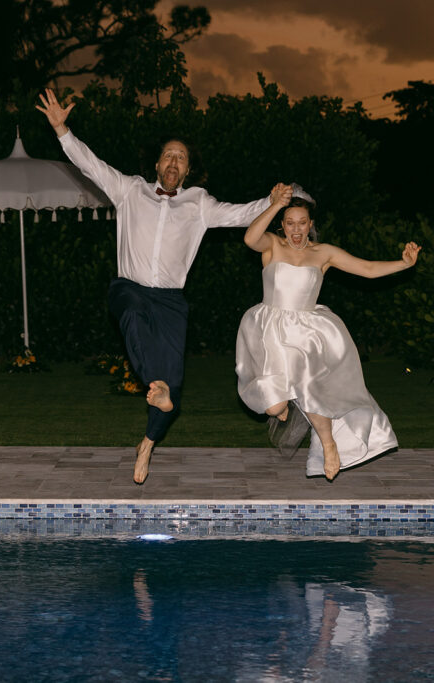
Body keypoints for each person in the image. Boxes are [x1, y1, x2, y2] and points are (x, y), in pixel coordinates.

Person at [37, 88, 286, 484]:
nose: (174, 161)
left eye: (181, 157)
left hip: (171, 300)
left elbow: (241, 215)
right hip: (129, 288)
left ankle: (147, 444)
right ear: (157, 163)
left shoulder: (199, 203)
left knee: (173, 391)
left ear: (187, 171)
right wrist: (61, 129)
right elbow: (90, 164)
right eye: (169, 154)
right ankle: (155, 385)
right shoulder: (129, 189)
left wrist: (272, 203)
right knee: (133, 315)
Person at [235, 187, 421, 480]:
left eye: (302, 222)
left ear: (311, 224)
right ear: (282, 225)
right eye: (290, 222)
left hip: (307, 332)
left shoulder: (324, 253)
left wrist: (404, 263)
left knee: (312, 387)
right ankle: (287, 402)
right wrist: (275, 205)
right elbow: (249, 238)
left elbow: (368, 268)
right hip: (270, 330)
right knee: (274, 408)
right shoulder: (272, 245)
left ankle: (328, 443)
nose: (297, 229)